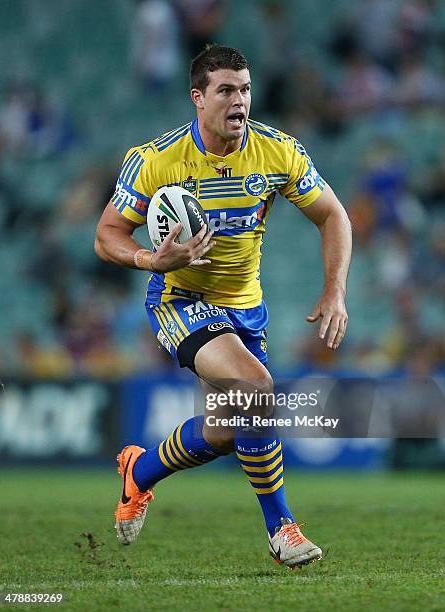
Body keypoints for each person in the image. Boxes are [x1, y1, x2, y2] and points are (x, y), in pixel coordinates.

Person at [95, 44, 352, 569]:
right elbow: (106, 236)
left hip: (245, 308)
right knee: (257, 389)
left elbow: (334, 216)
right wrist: (150, 258)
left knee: (225, 429)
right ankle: (282, 528)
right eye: (227, 90)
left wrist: (335, 290)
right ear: (198, 97)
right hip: (179, 298)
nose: (240, 101)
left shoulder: (277, 151)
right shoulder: (156, 160)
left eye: (246, 89)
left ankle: (138, 473)